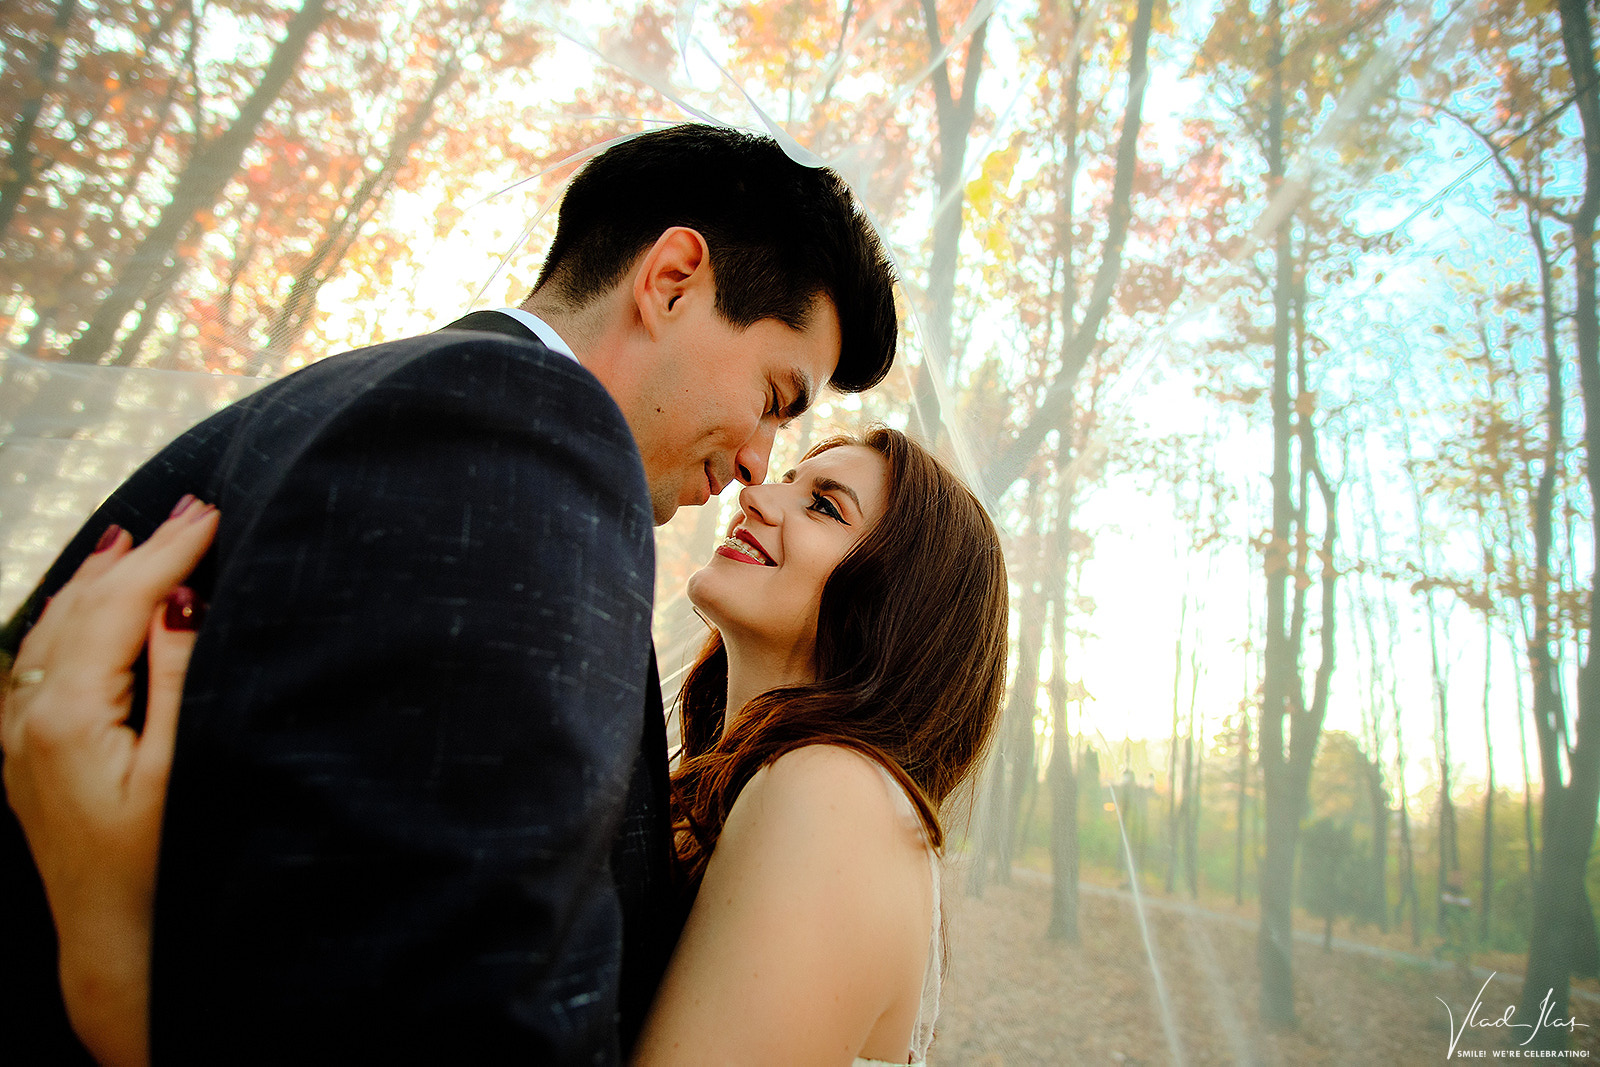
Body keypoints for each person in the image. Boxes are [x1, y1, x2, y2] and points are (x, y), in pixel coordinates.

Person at [0, 123, 897, 1064]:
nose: (760, 460)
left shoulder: (389, 403)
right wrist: (119, 977)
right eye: (773, 396)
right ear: (672, 279)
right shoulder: (520, 435)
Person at [4, 426, 1008, 1065]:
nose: (760, 494)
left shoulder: (833, 791)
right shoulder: (727, 787)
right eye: (787, 474)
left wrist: (120, 974)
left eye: (824, 504)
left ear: (902, 606)